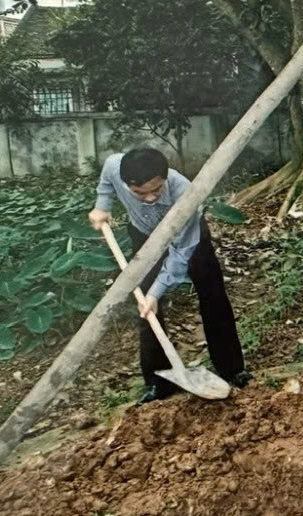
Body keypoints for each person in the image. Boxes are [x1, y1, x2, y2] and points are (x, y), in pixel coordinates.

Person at [87, 148, 249, 404]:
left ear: (165, 177)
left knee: (213, 296)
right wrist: (102, 206)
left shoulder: (184, 191)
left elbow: (180, 255)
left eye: (156, 190)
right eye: (139, 193)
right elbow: (107, 177)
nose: (150, 198)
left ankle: (232, 369)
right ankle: (158, 382)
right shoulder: (114, 166)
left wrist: (156, 291)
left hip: (188, 239)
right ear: (127, 181)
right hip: (144, 234)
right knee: (146, 309)